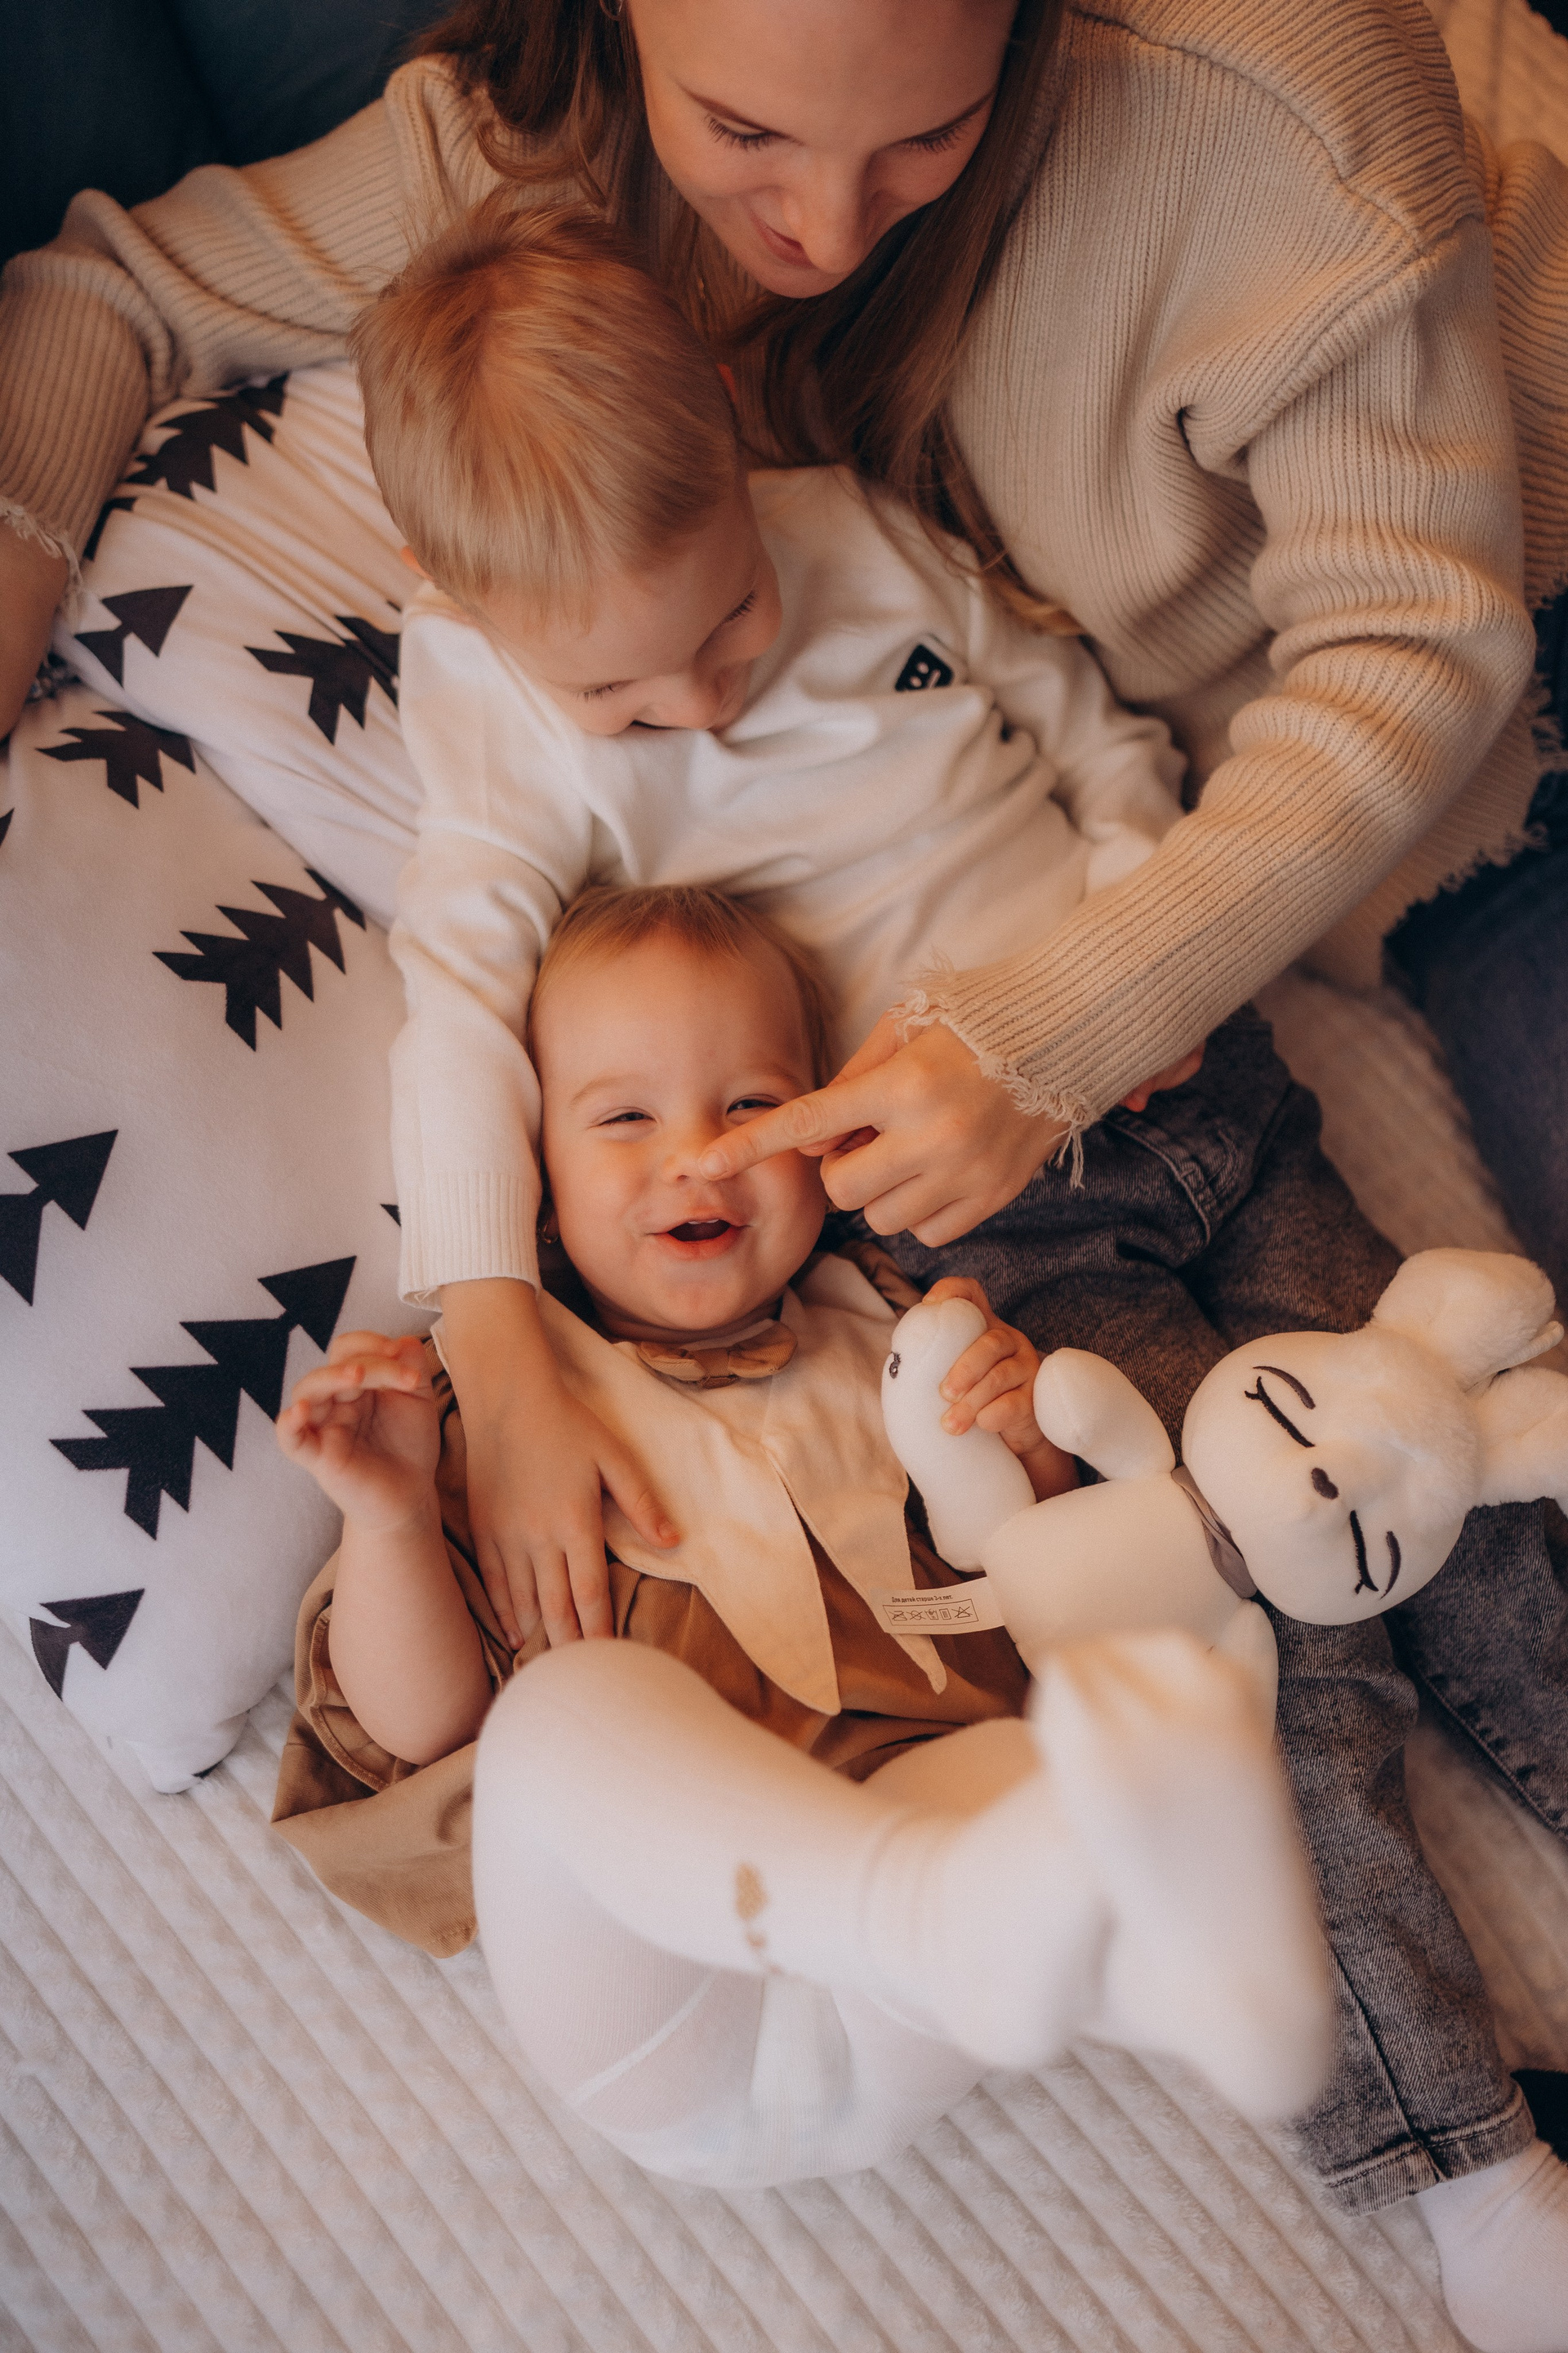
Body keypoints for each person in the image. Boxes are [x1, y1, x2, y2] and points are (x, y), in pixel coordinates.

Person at [5, 0, 1568, 2335]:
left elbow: (1089, 693)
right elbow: (458, 1007)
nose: (705, 699)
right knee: (1264, 1629)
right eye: (745, 132)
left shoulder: (859, 515)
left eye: (920, 138)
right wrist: (499, 1333)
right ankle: (1462, 2163)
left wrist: (1136, 927)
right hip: (991, 1231)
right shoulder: (509, 691)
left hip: (1215, 1056)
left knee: (1459, 1468)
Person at [273, 879, 1330, 2182]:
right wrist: (386, 1520)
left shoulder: (893, 1332)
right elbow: (417, 1727)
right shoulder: (498, 1404)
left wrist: (1025, 1447)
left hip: (919, 1974)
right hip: (671, 2005)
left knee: (1031, 1755)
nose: (698, 1155)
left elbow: (1036, 1582)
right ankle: (1027, 1931)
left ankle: (1160, 1972)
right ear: (536, 1170)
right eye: (624, 1116)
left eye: (751, 1107)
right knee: (559, 1719)